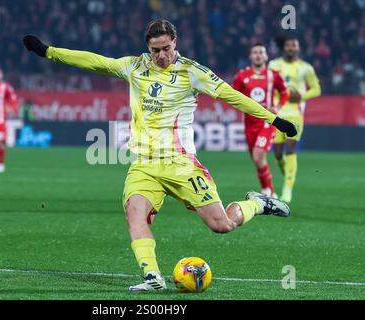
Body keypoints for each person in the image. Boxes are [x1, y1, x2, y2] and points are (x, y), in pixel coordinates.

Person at [23, 20, 297, 291]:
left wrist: (273, 119)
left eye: (166, 48)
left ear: (175, 43)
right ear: (148, 48)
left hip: (181, 164)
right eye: (156, 50)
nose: (162, 55)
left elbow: (232, 95)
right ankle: (153, 276)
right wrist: (49, 51)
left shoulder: (192, 72)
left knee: (221, 225)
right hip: (144, 165)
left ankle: (256, 204)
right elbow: (96, 61)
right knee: (134, 213)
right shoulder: (135, 66)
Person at [232, 43, 289, 198]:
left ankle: (267, 192)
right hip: (249, 123)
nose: (258, 55)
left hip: (267, 121)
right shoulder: (242, 76)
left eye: (261, 52)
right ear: (250, 56)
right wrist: (241, 107)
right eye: (255, 52)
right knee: (258, 160)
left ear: (266, 55)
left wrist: (277, 106)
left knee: (258, 156)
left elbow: (284, 93)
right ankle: (269, 192)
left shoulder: (273, 75)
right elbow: (232, 96)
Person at [269, 37, 321, 203]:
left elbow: (317, 89)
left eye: (294, 45)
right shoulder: (273, 65)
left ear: (298, 49)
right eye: (288, 45)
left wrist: (301, 96)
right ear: (284, 48)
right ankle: (289, 177)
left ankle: (287, 190)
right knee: (278, 154)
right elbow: (267, 84)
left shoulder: (306, 68)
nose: (291, 48)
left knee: (290, 148)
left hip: (295, 112)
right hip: (277, 112)